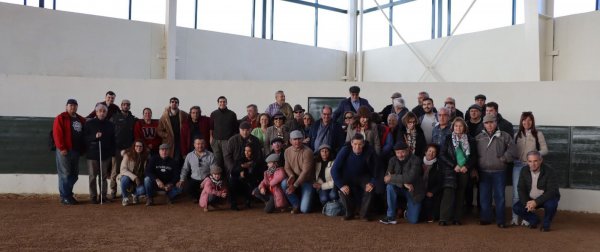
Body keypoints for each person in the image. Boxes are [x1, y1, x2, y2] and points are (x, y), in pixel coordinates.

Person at [476, 114, 515, 228]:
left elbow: (513, 149)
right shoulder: (479, 137)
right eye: (487, 123)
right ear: (484, 124)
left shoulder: (504, 136)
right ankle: (485, 218)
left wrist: (504, 158)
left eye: (492, 122)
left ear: (496, 123)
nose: (489, 125)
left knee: (500, 197)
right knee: (484, 197)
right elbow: (473, 153)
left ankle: (501, 220)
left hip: (499, 171)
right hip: (483, 171)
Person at [439, 118, 478, 226]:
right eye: (456, 126)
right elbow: (442, 154)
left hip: (464, 170)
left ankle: (457, 218)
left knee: (461, 194)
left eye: (460, 126)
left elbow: (474, 156)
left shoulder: (470, 139)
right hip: (451, 170)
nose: (458, 128)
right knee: (448, 193)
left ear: (464, 127)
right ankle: (444, 218)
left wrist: (467, 166)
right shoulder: (447, 138)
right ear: (453, 127)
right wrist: (453, 165)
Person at [512, 111, 549, 226]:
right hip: (518, 166)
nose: (526, 122)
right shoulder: (516, 135)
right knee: (516, 193)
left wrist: (534, 155)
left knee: (528, 193)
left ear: (532, 121)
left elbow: (545, 150)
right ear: (521, 121)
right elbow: (512, 150)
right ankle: (514, 218)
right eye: (524, 120)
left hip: (531, 167)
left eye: (529, 120)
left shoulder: (538, 134)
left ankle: (526, 218)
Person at [331, 134, 378, 221]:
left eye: (360, 144)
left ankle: (364, 215)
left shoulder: (370, 151)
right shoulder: (345, 150)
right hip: (347, 177)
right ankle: (349, 213)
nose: (357, 147)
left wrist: (372, 183)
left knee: (370, 189)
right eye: (355, 144)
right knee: (343, 190)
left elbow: (376, 170)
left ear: (363, 144)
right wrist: (341, 185)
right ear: (351, 143)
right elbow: (334, 170)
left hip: (363, 176)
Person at [513, 151, 560, 232]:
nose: (533, 164)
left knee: (551, 205)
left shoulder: (549, 171)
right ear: (527, 162)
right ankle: (534, 220)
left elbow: (552, 191)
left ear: (541, 160)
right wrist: (526, 203)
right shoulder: (524, 170)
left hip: (546, 198)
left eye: (535, 161)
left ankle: (546, 224)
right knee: (517, 207)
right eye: (530, 161)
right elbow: (521, 188)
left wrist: (536, 202)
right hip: (530, 199)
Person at [380, 141, 424, 225]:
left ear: (408, 150)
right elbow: (386, 178)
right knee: (389, 187)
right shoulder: (392, 160)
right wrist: (403, 183)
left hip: (413, 191)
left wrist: (392, 177)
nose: (400, 155)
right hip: (400, 188)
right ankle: (390, 216)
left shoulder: (416, 160)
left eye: (403, 152)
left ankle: (406, 212)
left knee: (413, 220)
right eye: (398, 153)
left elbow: (410, 178)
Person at [53, 98, 86, 205]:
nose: (73, 107)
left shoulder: (81, 119)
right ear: (66, 107)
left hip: (76, 151)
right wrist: (62, 148)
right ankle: (65, 197)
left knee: (74, 175)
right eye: (70, 105)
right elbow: (57, 134)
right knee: (65, 174)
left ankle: (67, 194)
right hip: (65, 151)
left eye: (75, 105)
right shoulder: (61, 117)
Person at [224, 122, 264, 210]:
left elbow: (259, 156)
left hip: (250, 167)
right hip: (235, 167)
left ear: (251, 130)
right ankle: (233, 203)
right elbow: (227, 156)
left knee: (251, 179)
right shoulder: (232, 140)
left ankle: (248, 200)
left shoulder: (255, 140)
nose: (245, 132)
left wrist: (251, 165)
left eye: (247, 130)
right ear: (239, 130)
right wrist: (234, 169)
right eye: (243, 130)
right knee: (232, 180)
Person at [84, 104, 116, 204]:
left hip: (105, 155)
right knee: (93, 176)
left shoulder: (110, 124)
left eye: (104, 111)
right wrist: (94, 136)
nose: (102, 113)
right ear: (96, 112)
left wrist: (112, 153)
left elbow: (113, 140)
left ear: (106, 113)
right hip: (92, 154)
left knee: (103, 177)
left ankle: (103, 197)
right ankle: (93, 197)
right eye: (100, 111)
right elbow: (84, 138)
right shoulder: (89, 123)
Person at [282, 130, 315, 214]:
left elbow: (305, 172)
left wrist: (295, 185)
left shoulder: (308, 152)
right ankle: (295, 204)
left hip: (307, 180)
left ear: (303, 139)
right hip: (295, 178)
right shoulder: (287, 151)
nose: (297, 141)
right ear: (290, 141)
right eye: (294, 139)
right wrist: (291, 175)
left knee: (305, 209)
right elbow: (287, 167)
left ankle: (312, 200)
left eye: (299, 139)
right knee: (284, 183)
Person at [109, 99, 136, 199]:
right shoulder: (114, 117)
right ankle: (113, 191)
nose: (126, 106)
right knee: (115, 171)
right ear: (121, 106)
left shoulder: (133, 119)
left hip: (129, 149)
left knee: (129, 170)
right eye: (124, 105)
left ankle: (128, 190)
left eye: (128, 105)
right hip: (117, 149)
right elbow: (110, 133)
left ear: (129, 106)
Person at [178, 138, 215, 204]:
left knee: (211, 199)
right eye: (198, 144)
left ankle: (206, 196)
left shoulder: (211, 155)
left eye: (202, 144)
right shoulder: (189, 155)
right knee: (187, 188)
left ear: (205, 144)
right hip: (194, 179)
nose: (200, 146)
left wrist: (210, 180)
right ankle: (199, 197)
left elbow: (213, 170)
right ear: (194, 145)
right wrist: (182, 179)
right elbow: (185, 169)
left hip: (207, 179)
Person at [157, 97, 189, 166]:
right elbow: (159, 130)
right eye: (172, 102)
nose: (174, 103)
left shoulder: (183, 114)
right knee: (170, 159)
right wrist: (166, 135)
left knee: (180, 159)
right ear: (170, 104)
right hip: (169, 141)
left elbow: (192, 118)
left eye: (176, 102)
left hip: (180, 140)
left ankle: (179, 175)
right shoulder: (164, 116)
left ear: (178, 104)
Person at [210, 96, 238, 168]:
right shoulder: (213, 114)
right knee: (217, 160)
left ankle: (228, 178)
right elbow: (211, 127)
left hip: (227, 140)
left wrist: (232, 140)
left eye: (224, 102)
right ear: (218, 103)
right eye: (220, 102)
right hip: (216, 140)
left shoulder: (232, 114)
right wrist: (211, 138)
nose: (222, 103)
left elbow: (235, 129)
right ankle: (218, 178)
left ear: (226, 103)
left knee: (227, 160)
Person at [118, 140, 148, 206]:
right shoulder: (127, 155)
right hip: (129, 178)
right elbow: (123, 170)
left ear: (143, 147)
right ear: (134, 147)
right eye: (137, 146)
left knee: (143, 190)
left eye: (140, 146)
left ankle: (135, 195)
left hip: (139, 181)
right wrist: (135, 177)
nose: (138, 148)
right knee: (124, 179)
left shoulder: (145, 157)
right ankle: (125, 198)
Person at [420, 144, 443, 223]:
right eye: (429, 151)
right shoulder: (418, 162)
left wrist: (432, 192)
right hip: (419, 190)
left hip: (431, 191)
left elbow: (440, 182)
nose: (431, 153)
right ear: (425, 152)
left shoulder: (438, 165)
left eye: (434, 152)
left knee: (429, 202)